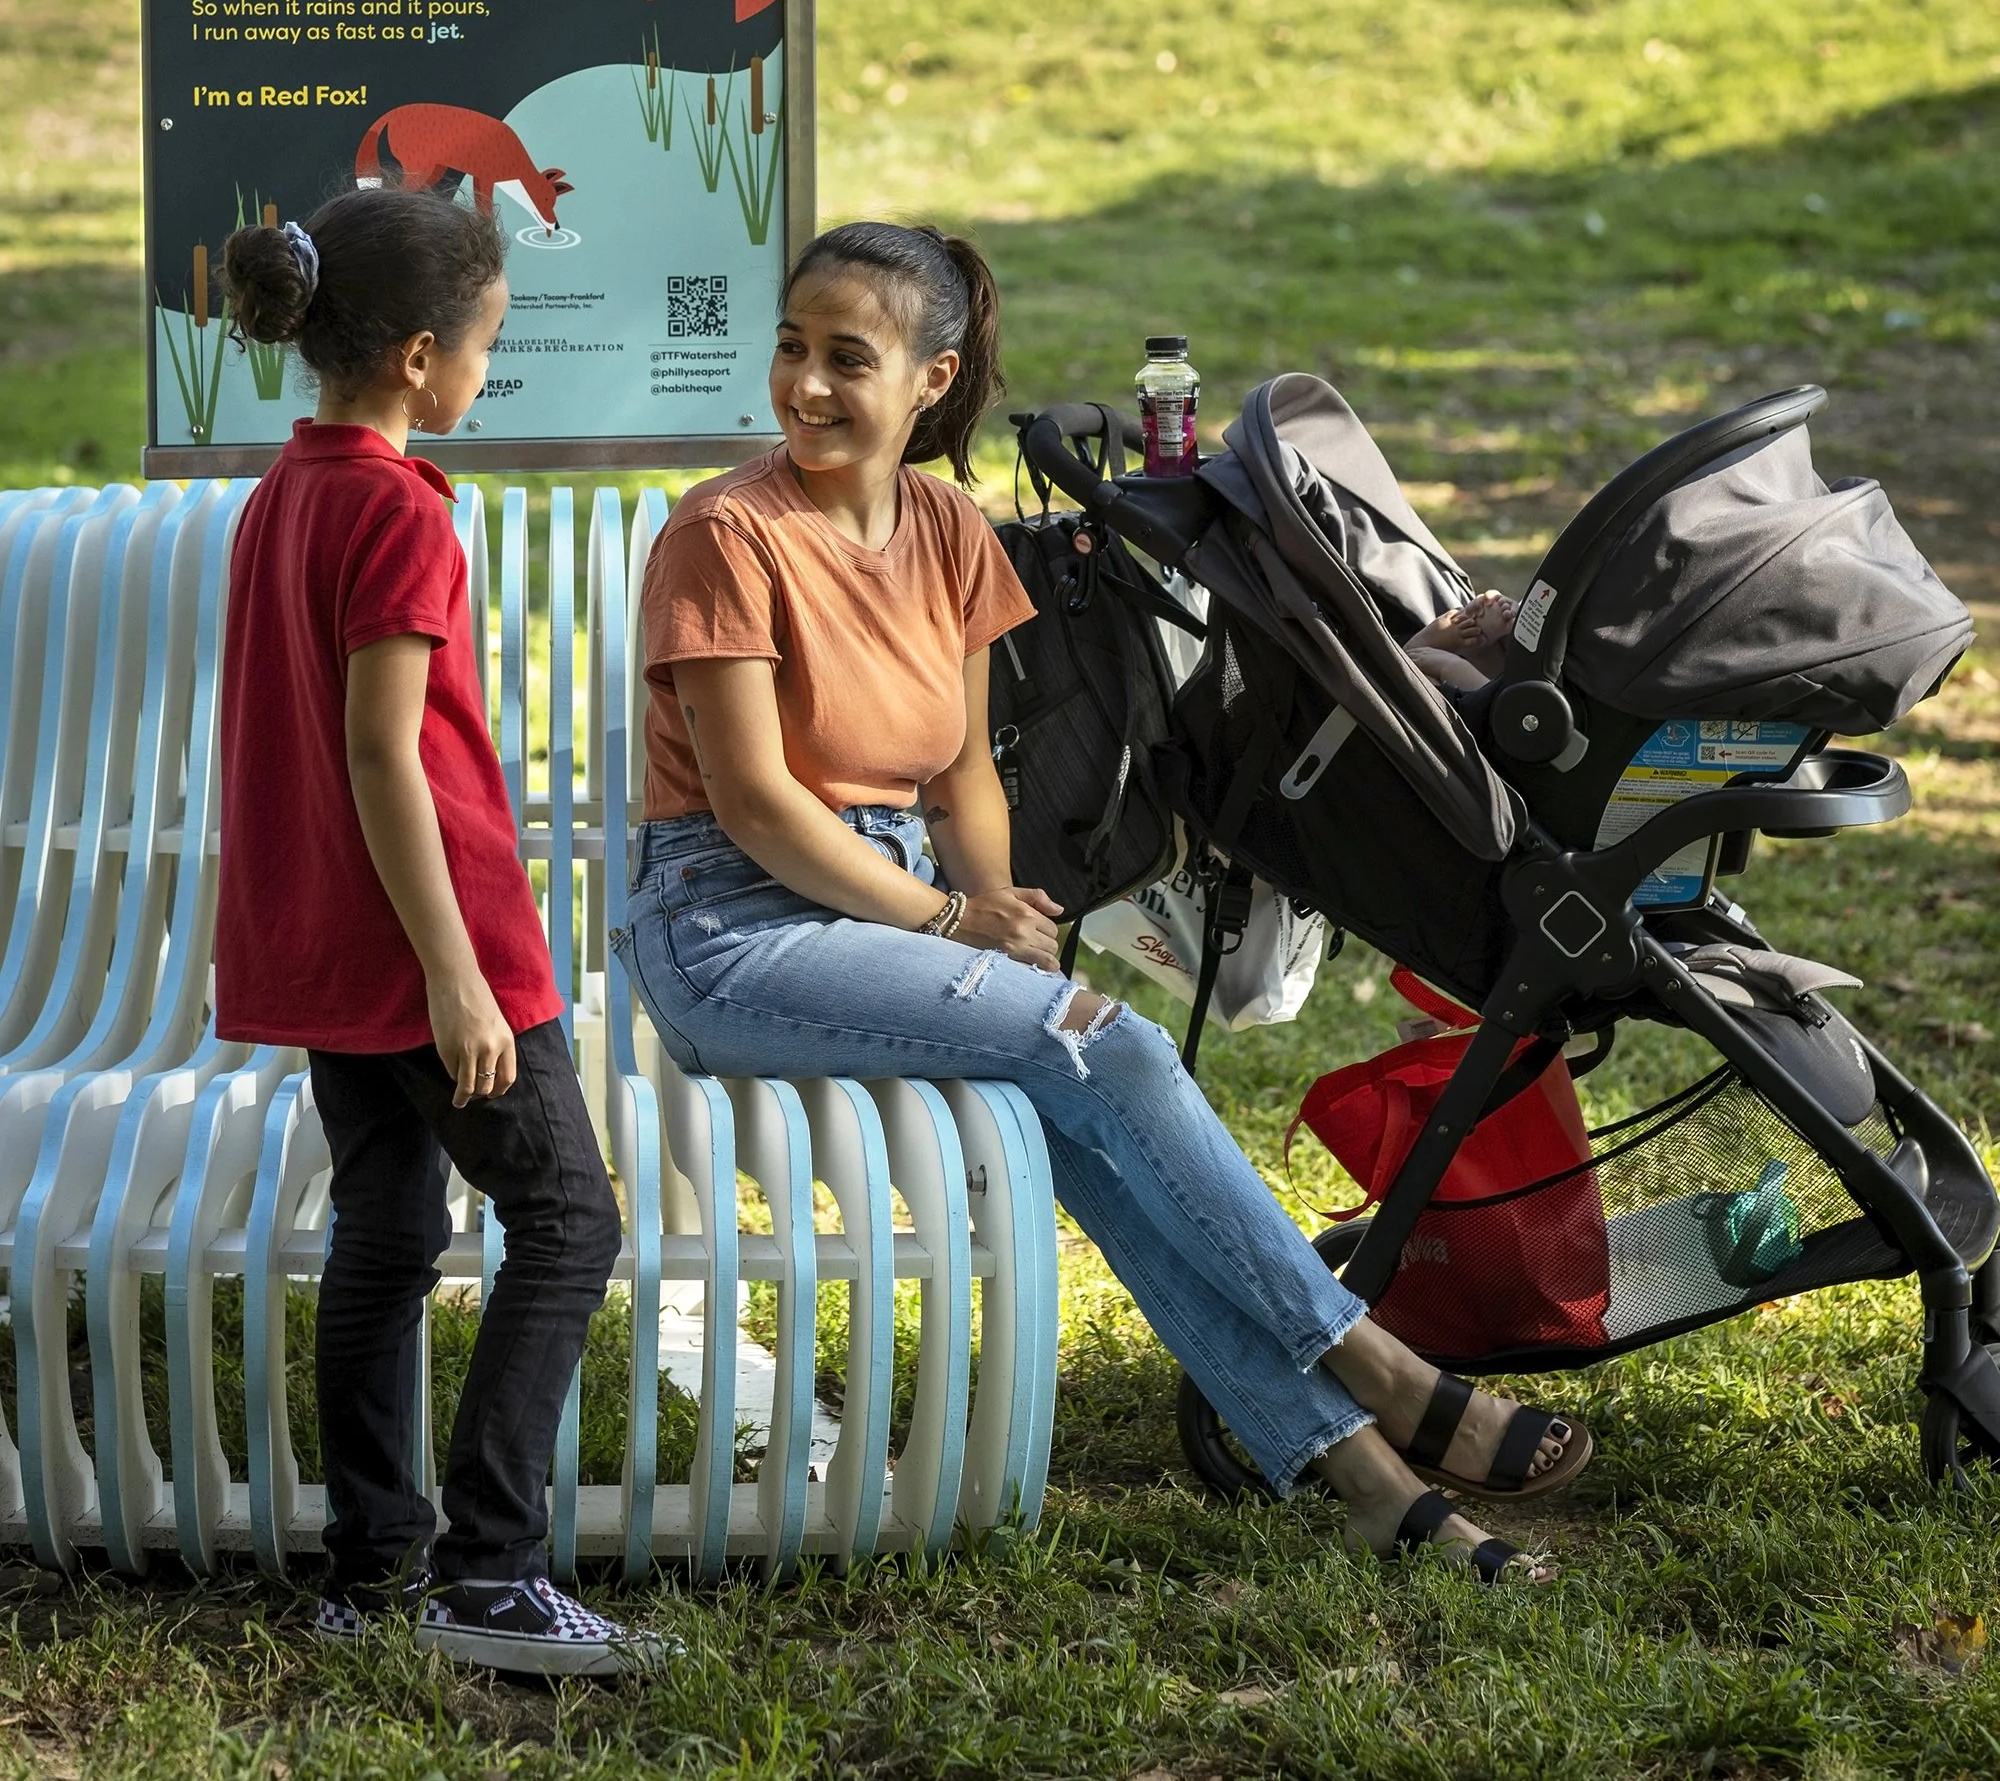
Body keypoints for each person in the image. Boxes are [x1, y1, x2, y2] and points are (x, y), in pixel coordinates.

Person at [619, 221, 1592, 1578]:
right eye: (794, 349)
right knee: (1104, 1044)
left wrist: (993, 897)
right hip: (731, 930)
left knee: (1079, 1120)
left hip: (885, 910)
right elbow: (757, 808)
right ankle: (1375, 1359)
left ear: (933, 379)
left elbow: (962, 777)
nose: (808, 386)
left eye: (850, 358)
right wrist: (953, 929)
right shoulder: (724, 533)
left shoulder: (951, 530)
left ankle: (1370, 1484)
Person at [216, 187, 651, 1676]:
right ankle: (490, 1571)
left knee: (389, 1233)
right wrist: (460, 976)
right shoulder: (397, 510)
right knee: (570, 1222)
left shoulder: (286, 492)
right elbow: (382, 754)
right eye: (485, 347)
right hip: (432, 949)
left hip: (331, 951)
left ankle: (373, 1568)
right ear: (416, 356)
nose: (486, 372)